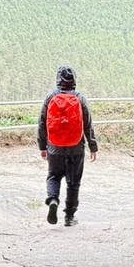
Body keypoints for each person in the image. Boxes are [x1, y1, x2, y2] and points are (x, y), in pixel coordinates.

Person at [37, 65, 98, 226]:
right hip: (76, 147)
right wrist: (93, 147)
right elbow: (88, 124)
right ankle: (69, 217)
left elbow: (42, 123)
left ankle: (52, 199)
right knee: (73, 182)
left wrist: (42, 146)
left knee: (53, 176)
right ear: (74, 80)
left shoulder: (51, 97)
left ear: (58, 79)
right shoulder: (80, 98)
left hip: (54, 147)